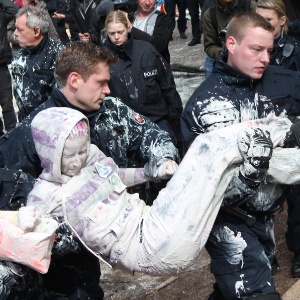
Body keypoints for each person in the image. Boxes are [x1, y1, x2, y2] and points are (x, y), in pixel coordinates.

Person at [0, 41, 180, 298]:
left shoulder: (111, 111)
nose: (108, 89)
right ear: (75, 80)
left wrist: (163, 160)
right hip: (53, 275)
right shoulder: (34, 135)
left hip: (94, 260)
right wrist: (72, 231)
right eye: (101, 82)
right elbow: (14, 219)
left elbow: (152, 135)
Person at [27, 106, 295, 278]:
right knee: (207, 148)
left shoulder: (89, 160)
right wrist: (52, 235)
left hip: (153, 220)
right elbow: (30, 244)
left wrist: (152, 171)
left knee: (227, 169)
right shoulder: (42, 197)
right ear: (49, 153)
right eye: (69, 155)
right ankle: (288, 128)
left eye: (82, 150)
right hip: (147, 248)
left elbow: (113, 177)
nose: (78, 159)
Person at [181, 11, 300, 299]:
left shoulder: (282, 81)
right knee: (255, 291)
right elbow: (201, 184)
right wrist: (253, 167)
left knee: (231, 290)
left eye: (269, 51)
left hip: (265, 215)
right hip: (227, 222)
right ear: (231, 44)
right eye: (256, 49)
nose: (265, 59)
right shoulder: (205, 104)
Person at [256, 0, 300, 278]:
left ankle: (298, 250)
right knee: (259, 201)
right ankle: (264, 256)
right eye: (258, 20)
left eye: (268, 21)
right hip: (261, 134)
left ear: (282, 21)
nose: (263, 26)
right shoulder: (250, 50)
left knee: (297, 201)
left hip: (293, 135)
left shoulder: (295, 50)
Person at [104, 10, 183, 150]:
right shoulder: (102, 58)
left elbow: (168, 86)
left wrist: (176, 123)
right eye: (112, 33)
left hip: (157, 121)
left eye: (120, 32)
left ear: (128, 28)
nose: (116, 37)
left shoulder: (146, 50)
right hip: (124, 128)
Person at [11, 6, 63, 122]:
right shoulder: (19, 57)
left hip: (52, 126)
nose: (15, 34)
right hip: (26, 125)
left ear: (36, 31)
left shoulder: (59, 56)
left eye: (20, 29)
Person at [88, 0, 174, 64]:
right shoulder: (127, 14)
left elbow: (158, 44)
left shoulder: (163, 19)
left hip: (153, 70)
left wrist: (131, 28)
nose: (147, 3)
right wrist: (91, 38)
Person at [202, 0, 255, 76]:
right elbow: (210, 46)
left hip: (252, 61)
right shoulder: (210, 14)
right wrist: (225, 53)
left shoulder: (250, 7)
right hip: (225, 63)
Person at [0, 0, 18, 137]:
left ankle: (12, 133)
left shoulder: (2, 14)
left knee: (7, 104)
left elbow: (16, 10)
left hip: (1, 65)